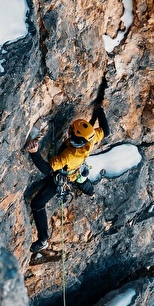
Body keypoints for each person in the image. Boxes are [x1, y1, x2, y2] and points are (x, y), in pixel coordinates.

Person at [25, 105, 109, 257]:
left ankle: (43, 240)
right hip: (76, 172)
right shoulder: (90, 140)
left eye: (71, 130)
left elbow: (47, 170)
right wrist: (99, 109)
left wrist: (34, 153)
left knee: (37, 204)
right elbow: (106, 131)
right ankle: (90, 192)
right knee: (82, 182)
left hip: (64, 175)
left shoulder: (68, 156)